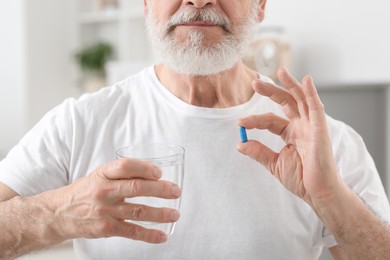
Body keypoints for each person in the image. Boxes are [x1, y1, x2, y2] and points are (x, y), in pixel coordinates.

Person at [0, 0, 389, 259]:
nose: (199, 0)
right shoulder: (80, 123)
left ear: (261, 5)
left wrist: (329, 197)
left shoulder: (325, 142)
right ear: (147, 3)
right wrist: (59, 213)